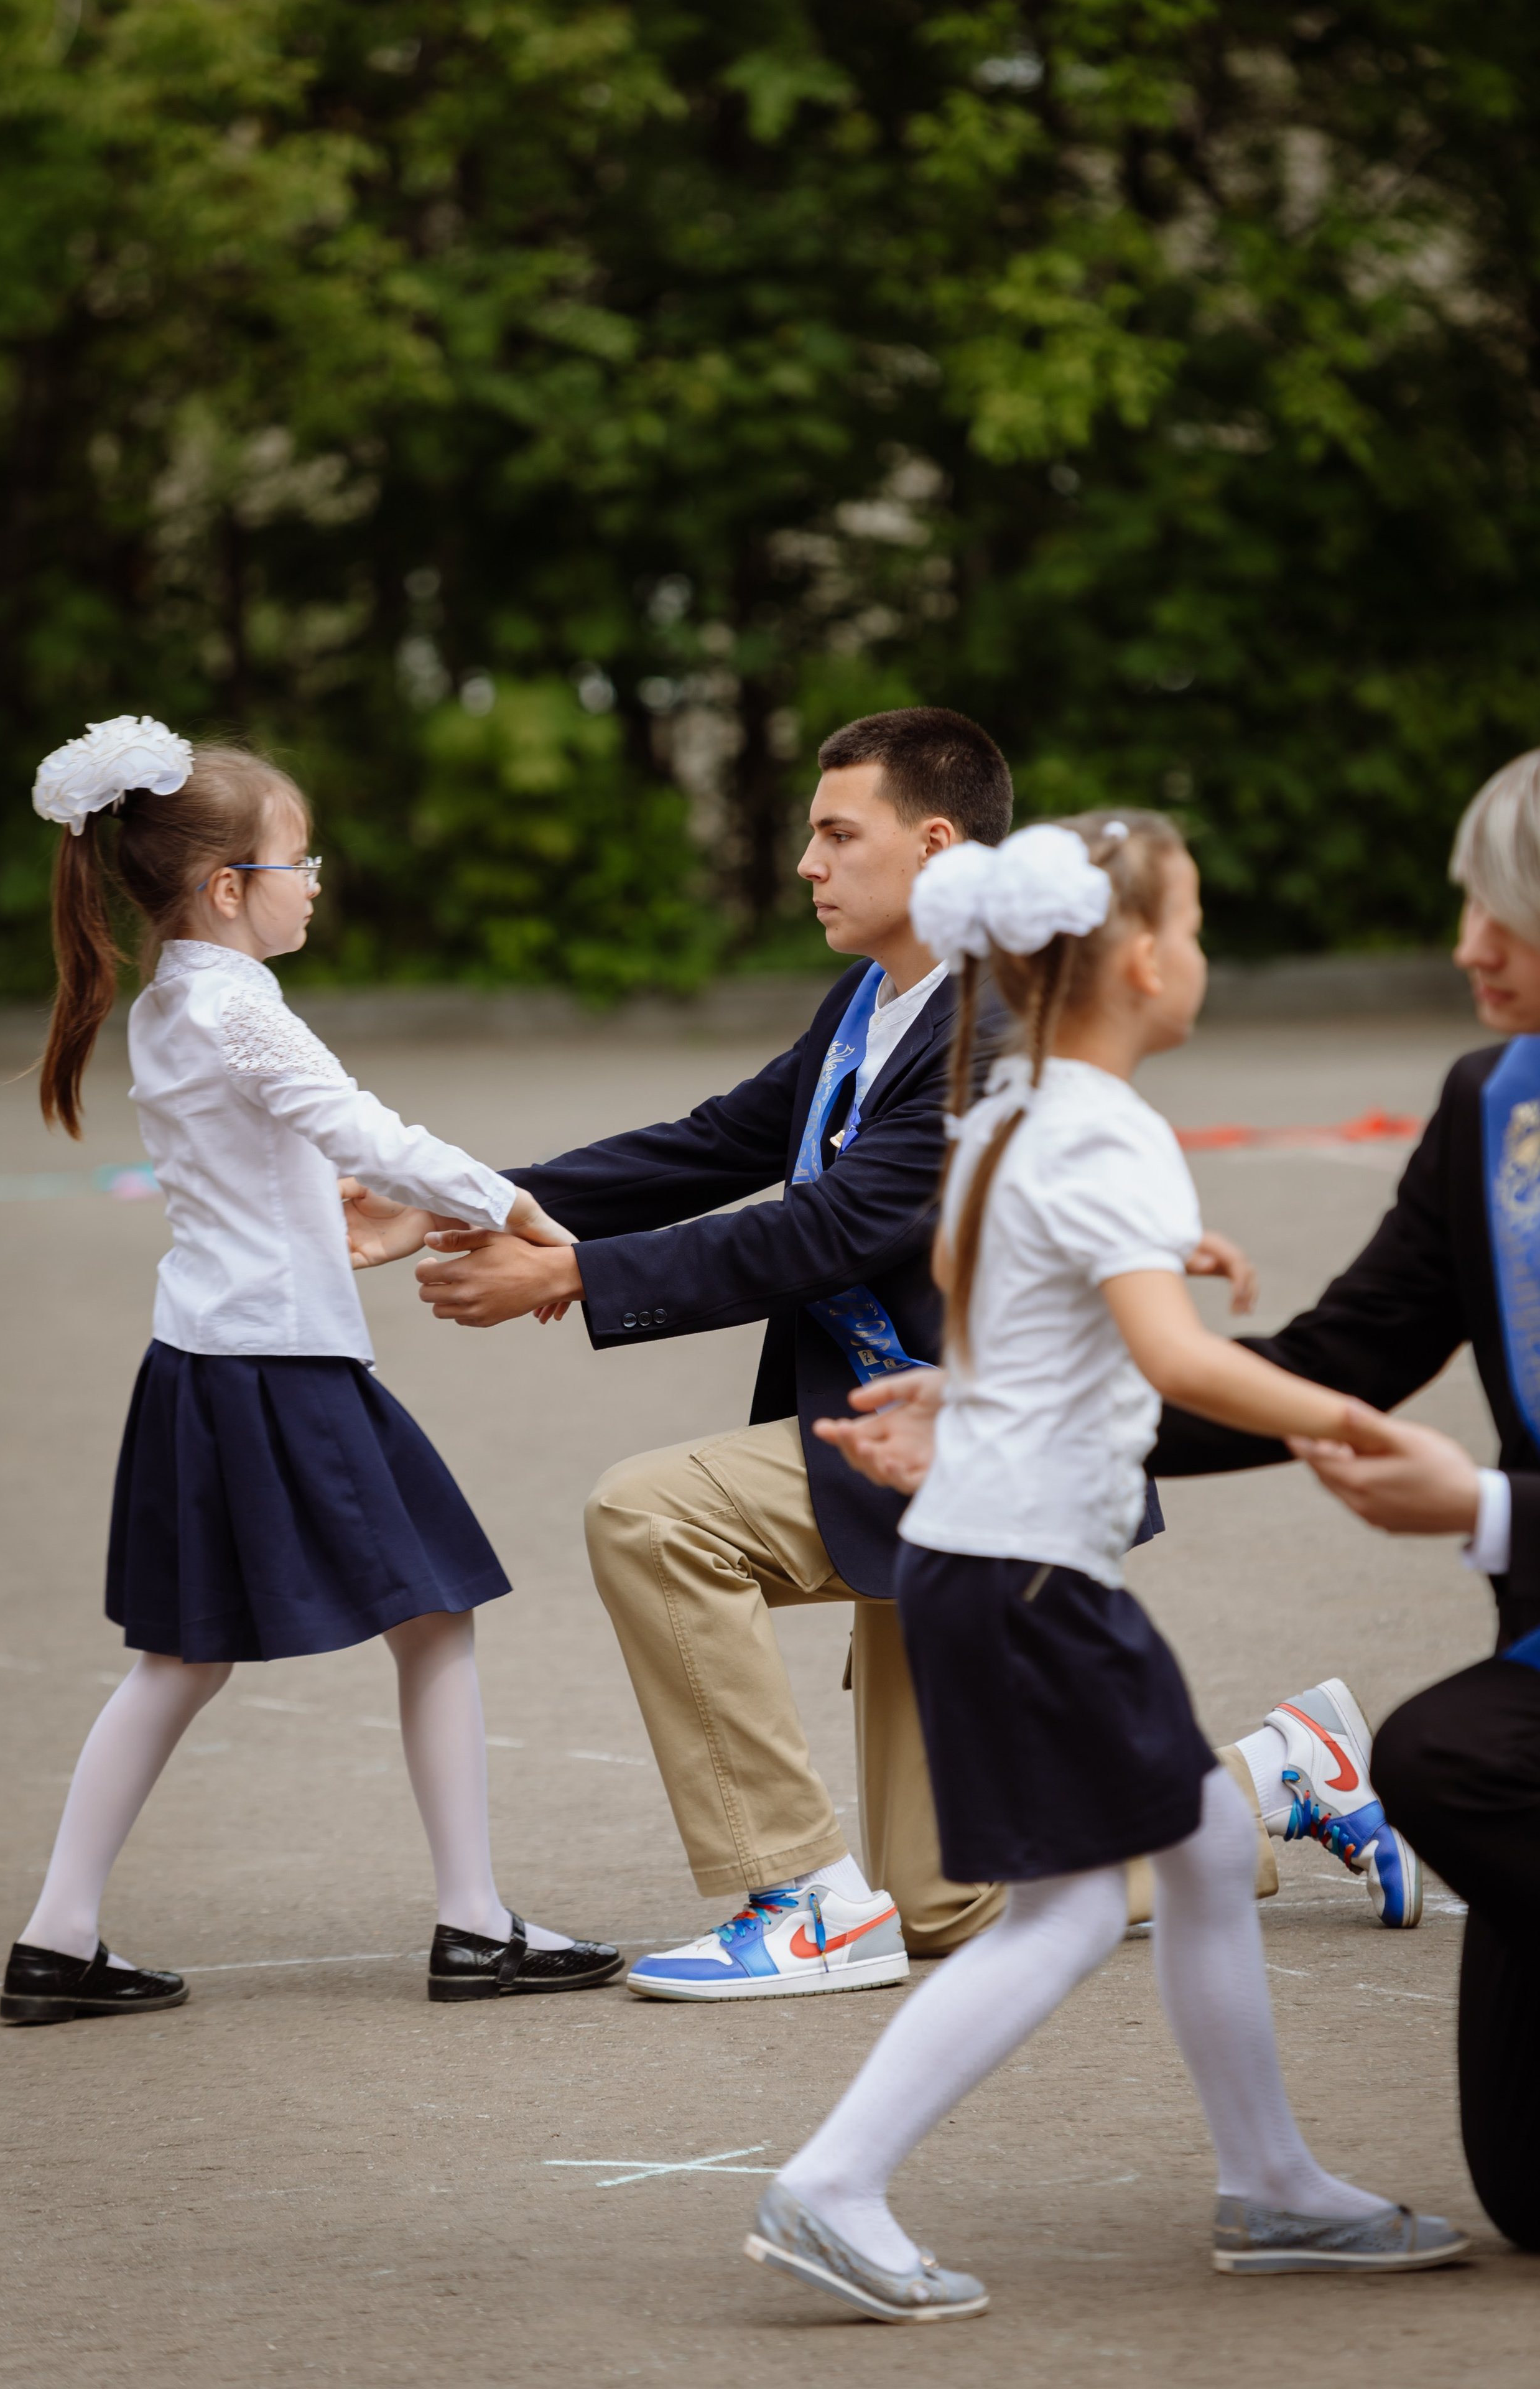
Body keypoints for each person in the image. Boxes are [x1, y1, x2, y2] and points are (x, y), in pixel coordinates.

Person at [350, 710, 1248, 1992]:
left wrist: (574, 1274)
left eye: (837, 833)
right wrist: (468, 1198)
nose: (805, 864)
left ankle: (804, 1899)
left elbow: (824, 1229)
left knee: (651, 1517)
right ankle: (1276, 1783)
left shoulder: (990, 1034)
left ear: (936, 845)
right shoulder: (873, 997)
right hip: (885, 1448)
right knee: (950, 1900)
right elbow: (714, 1142)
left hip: (972, 1455)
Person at [744, 813, 1467, 2324]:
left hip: (994, 1570)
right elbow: (1167, 1365)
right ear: (1138, 959)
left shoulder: (1011, 1105)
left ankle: (1271, 2186)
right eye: (1192, 928)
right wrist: (1345, 1421)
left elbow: (992, 1292)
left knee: (1202, 1848)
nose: (1197, 956)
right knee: (1068, 1913)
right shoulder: (1101, 1127)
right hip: (1028, 1585)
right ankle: (832, 2181)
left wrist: (1140, 1264)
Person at [1, 717, 619, 2026]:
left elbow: (293, 1162)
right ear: (229, 888)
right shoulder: (235, 1004)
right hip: (275, 1365)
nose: (317, 878)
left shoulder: (180, 1002)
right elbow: (361, 1129)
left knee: (183, 1656)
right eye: (300, 858)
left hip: (210, 1354)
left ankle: (59, 1939)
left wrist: (347, 1220)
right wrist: (513, 1205)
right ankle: (473, 1926)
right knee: (434, 1612)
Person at [1144, 747, 1540, 2253]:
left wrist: (1488, 1509)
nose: (1465, 946)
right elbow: (1335, 1358)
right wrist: (1037, 1423)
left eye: (1500, 910)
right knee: (1525, 2195)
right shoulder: (1486, 1102)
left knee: (1444, 1753)